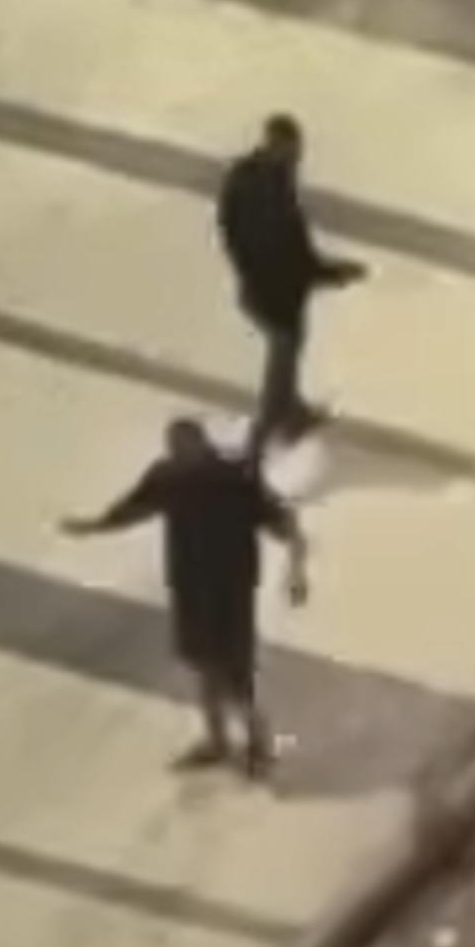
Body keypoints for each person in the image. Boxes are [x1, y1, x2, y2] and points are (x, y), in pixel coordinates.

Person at [58, 419, 307, 777]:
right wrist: (93, 526)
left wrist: (298, 571)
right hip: (197, 585)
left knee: (227, 670)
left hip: (225, 589)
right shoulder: (191, 477)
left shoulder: (226, 479)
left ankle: (255, 740)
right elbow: (285, 525)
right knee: (207, 664)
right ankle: (222, 740)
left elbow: (283, 523)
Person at [213, 115, 367, 453]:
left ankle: (290, 414)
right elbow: (280, 245)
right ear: (275, 143)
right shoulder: (260, 184)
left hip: (275, 286)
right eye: (292, 149)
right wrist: (328, 273)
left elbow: (275, 240)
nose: (297, 156)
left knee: (289, 350)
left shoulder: (262, 177)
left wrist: (325, 272)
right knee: (282, 359)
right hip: (271, 289)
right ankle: (260, 443)